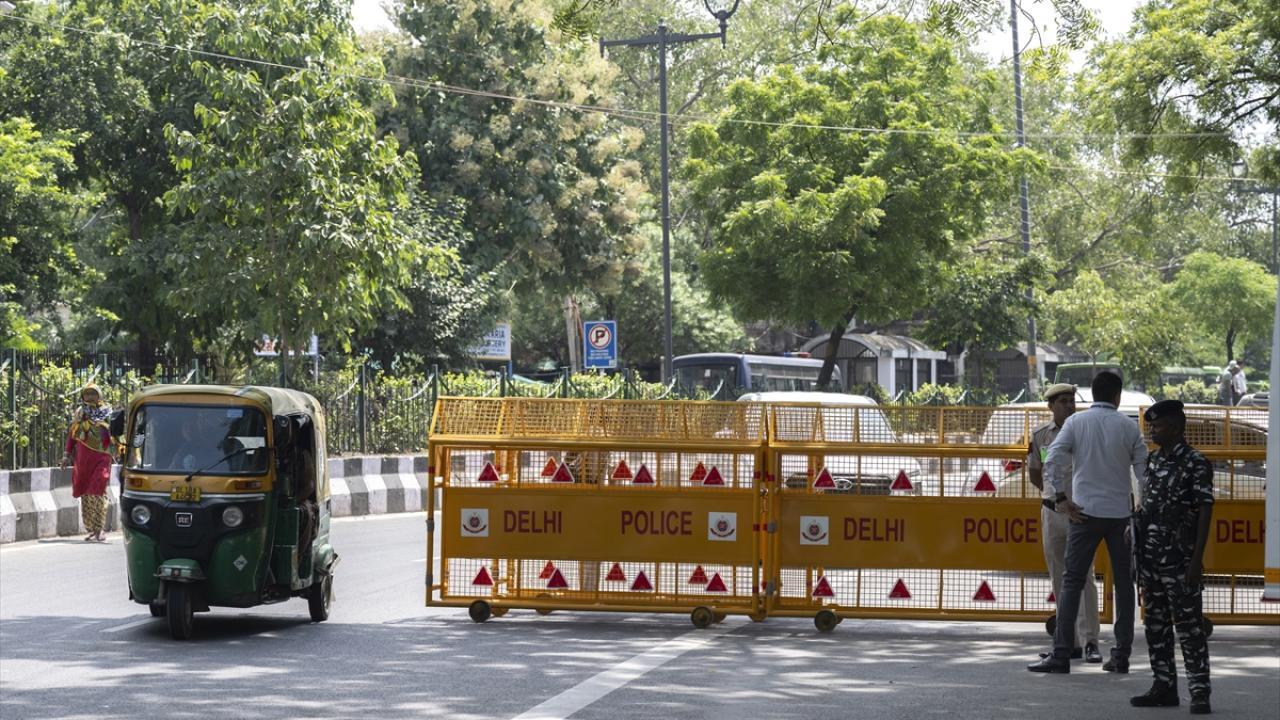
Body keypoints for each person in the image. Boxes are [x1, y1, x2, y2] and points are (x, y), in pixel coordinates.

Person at [1028, 370, 1146, 674]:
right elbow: (1144, 475)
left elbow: (1052, 460)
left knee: (1071, 582)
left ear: (1092, 395)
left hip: (1083, 513)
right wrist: (1140, 510)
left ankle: (1062, 653)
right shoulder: (1129, 427)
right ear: (1117, 397)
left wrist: (1062, 499)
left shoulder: (1077, 424)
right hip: (1120, 516)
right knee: (1123, 585)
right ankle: (1120, 655)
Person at [1130, 399, 1214, 714]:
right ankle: (1163, 686)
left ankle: (1200, 691)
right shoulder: (1153, 462)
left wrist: (1196, 561)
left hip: (1181, 561)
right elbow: (1146, 504)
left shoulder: (1195, 462)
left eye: (1159, 426)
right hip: (1151, 561)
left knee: (1190, 629)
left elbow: (1205, 509)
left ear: (1177, 428)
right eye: (1151, 425)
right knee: (1156, 627)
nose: (1153, 430)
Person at [1027, 383, 1102, 664]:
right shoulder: (1041, 436)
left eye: (1072, 401)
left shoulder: (1084, 434)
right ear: (1050, 406)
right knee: (1058, 576)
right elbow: (1036, 473)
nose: (1070, 406)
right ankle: (1067, 642)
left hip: (1080, 512)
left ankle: (1091, 641)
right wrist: (1053, 497)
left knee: (1085, 576)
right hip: (1052, 511)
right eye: (1063, 402)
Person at [60, 383, 113, 542]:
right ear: (82, 396)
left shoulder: (107, 412)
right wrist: (66, 455)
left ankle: (100, 529)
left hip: (102, 456)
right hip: (83, 459)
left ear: (99, 396)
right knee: (86, 493)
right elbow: (72, 435)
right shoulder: (80, 413)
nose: (90, 397)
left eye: (93, 394)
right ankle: (91, 528)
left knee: (98, 488)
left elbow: (115, 433)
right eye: (87, 394)